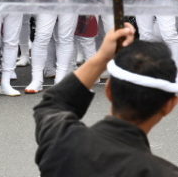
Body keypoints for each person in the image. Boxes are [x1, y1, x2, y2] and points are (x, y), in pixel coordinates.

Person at [34, 24, 178, 176]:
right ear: (169, 105)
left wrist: (102, 57)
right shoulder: (162, 173)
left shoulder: (63, 140)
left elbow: (53, 103)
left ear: (108, 90)